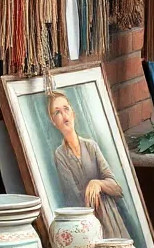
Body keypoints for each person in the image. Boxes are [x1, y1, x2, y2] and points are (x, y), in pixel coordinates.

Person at [48, 92, 130, 239]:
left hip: (111, 218)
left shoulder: (91, 146)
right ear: (53, 121)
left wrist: (97, 183)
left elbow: (117, 188)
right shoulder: (60, 155)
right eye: (57, 112)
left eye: (66, 109)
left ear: (73, 113)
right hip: (86, 224)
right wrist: (90, 193)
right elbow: (72, 197)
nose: (64, 115)